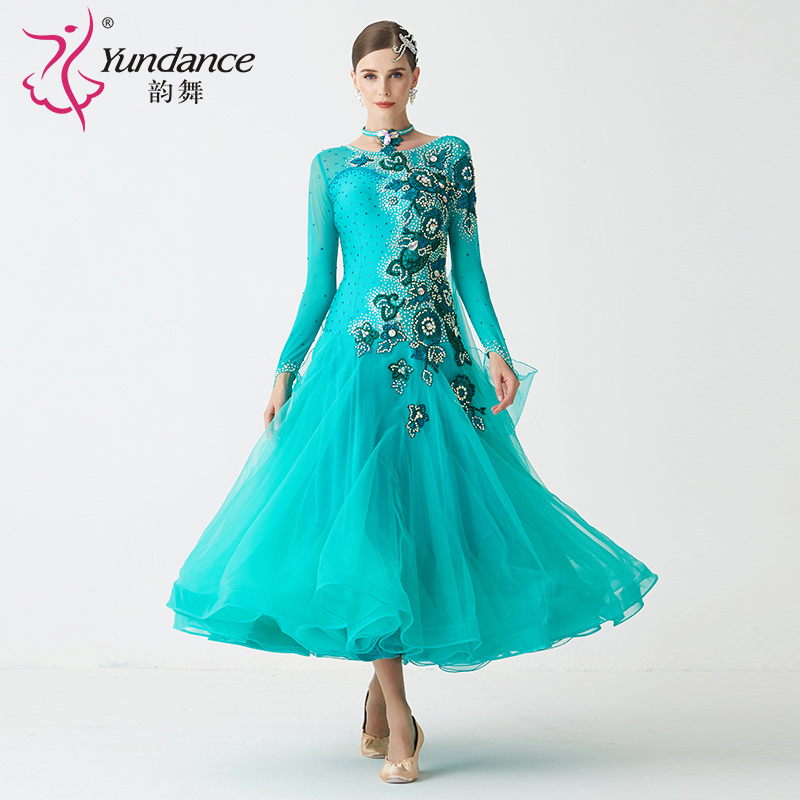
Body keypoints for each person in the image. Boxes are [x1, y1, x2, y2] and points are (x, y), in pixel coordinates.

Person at [166, 20, 659, 784]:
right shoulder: (330, 167)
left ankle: (377, 692)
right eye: (370, 75)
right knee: (365, 528)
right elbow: (319, 284)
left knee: (425, 528)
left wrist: (496, 349)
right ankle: (400, 715)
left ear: (415, 78)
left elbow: (470, 269)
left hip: (432, 365)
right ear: (353, 81)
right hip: (353, 370)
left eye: (395, 74)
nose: (383, 88)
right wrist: (285, 369)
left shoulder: (450, 156)